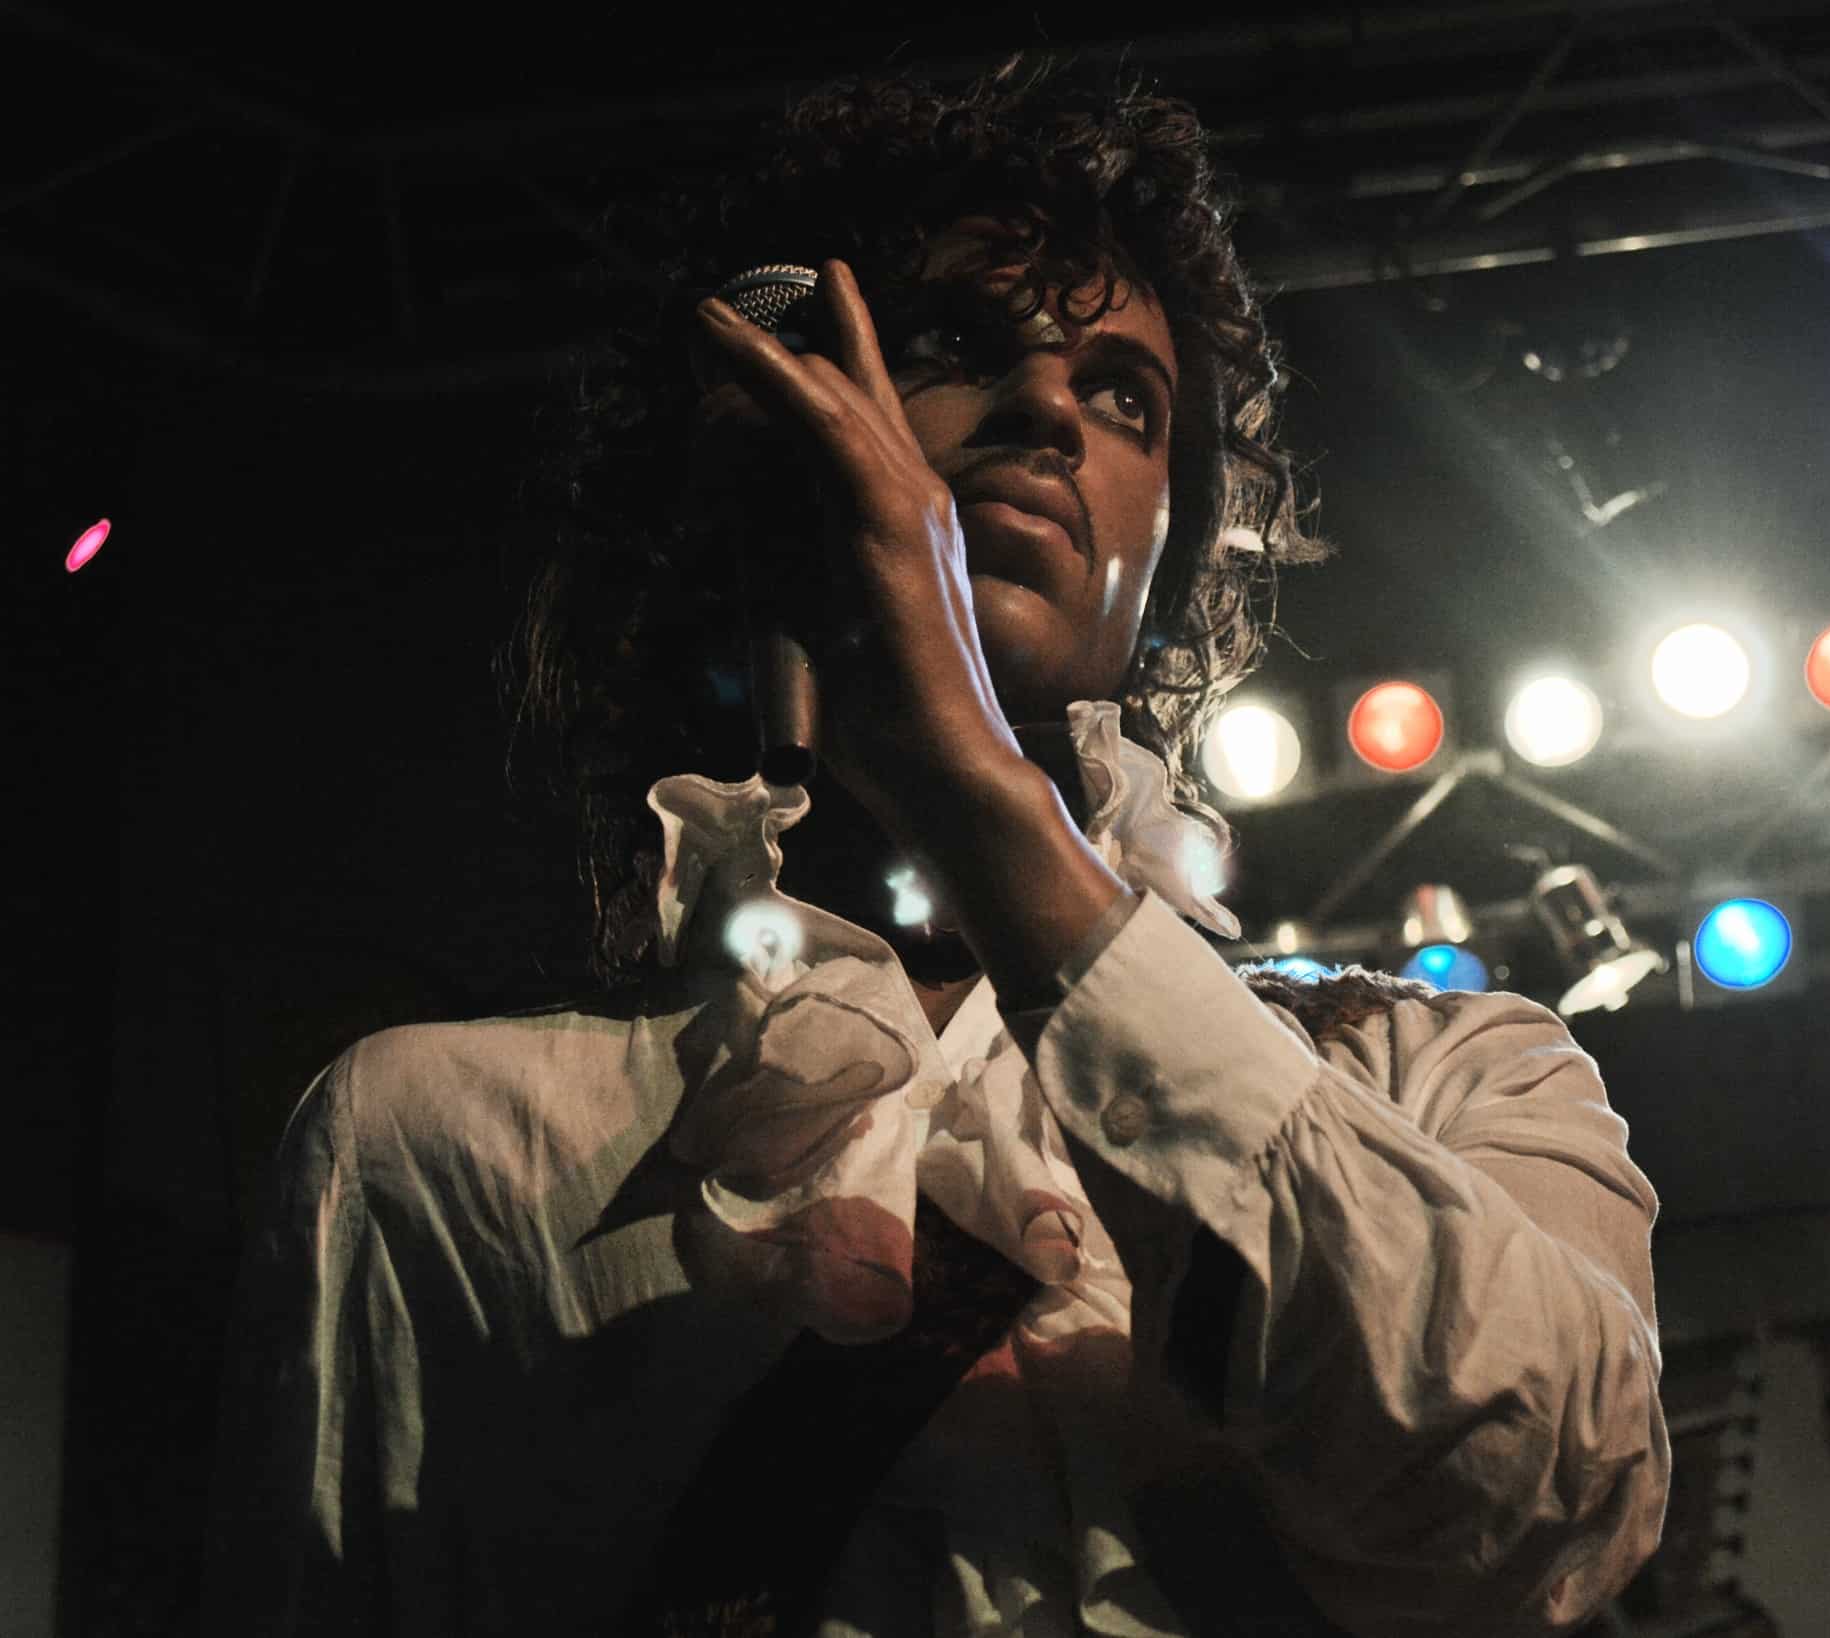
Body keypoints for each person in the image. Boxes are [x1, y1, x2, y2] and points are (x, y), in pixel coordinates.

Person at [206, 54, 1672, 1638]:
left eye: (1125, 395)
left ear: (1166, 560)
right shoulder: (428, 1139)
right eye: (960, 345)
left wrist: (971, 788)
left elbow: (1534, 1509)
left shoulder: (1450, 1075)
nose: (1048, 406)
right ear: (780, 431)